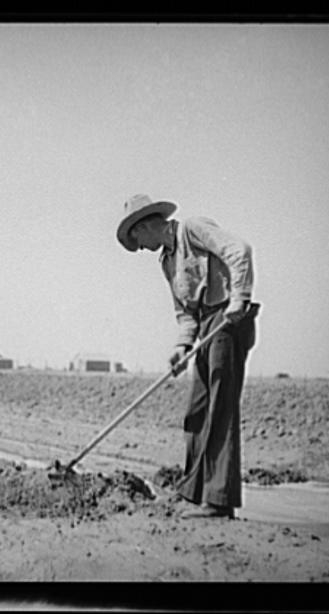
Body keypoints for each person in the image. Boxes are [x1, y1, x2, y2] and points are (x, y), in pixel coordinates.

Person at [116, 193, 259, 519]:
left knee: (220, 408)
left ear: (147, 224)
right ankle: (194, 493)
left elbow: (240, 251)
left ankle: (219, 502)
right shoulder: (168, 261)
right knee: (196, 411)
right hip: (207, 324)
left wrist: (240, 296)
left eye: (136, 236)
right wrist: (181, 347)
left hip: (228, 318)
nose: (137, 246)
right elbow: (185, 313)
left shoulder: (193, 229)